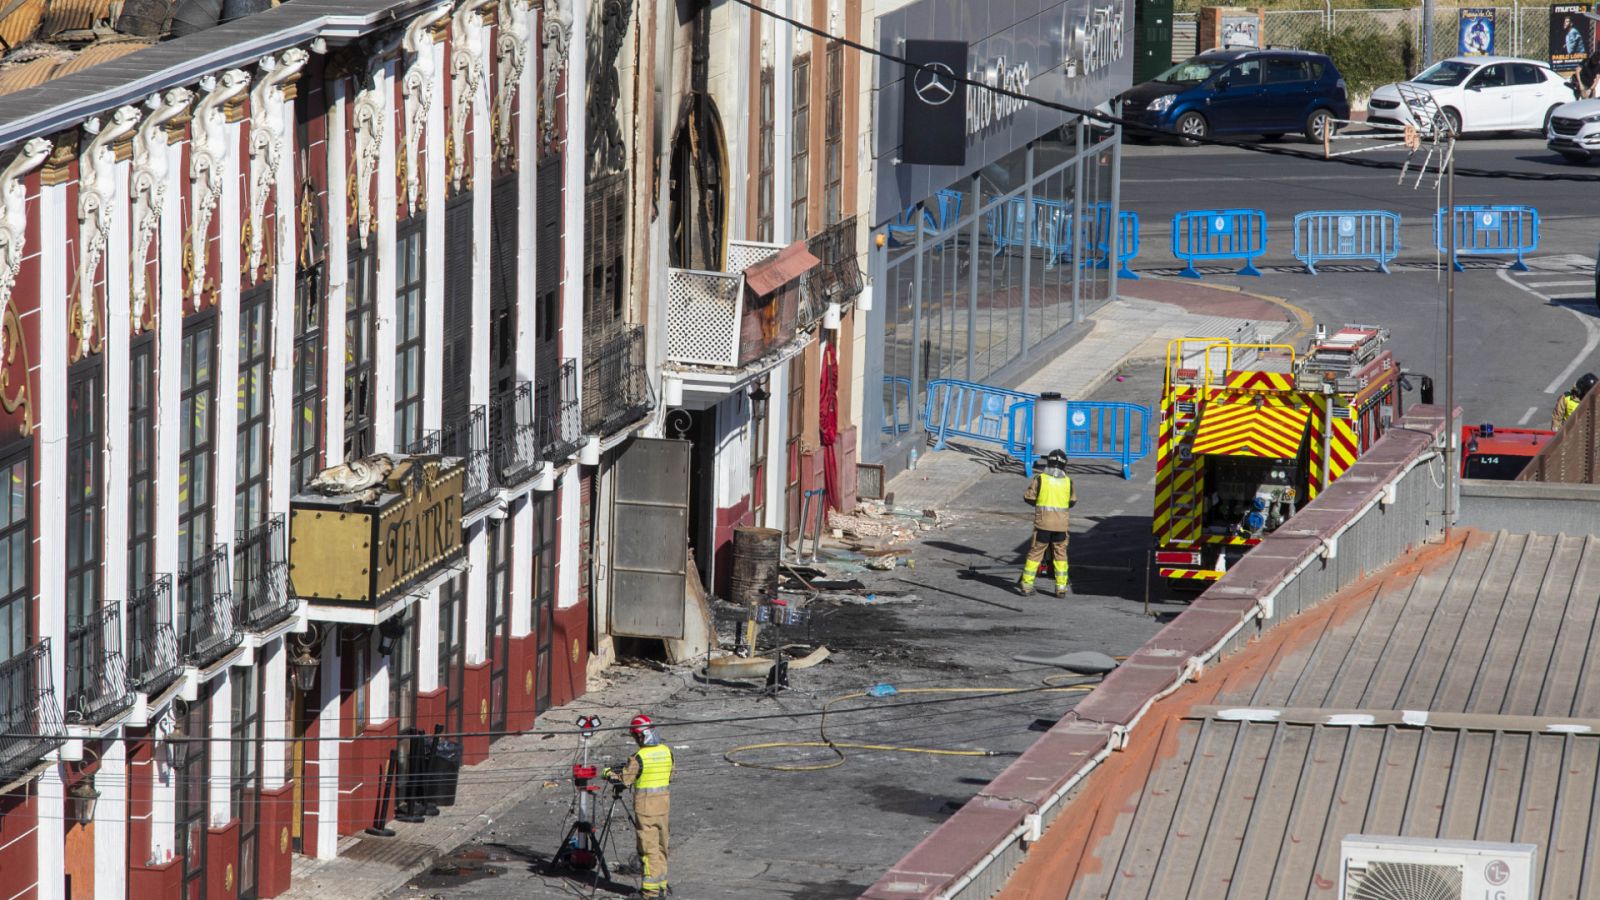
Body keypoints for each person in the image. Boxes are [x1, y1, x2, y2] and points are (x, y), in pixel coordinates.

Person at [605, 715, 673, 897]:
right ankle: (662, 886)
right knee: (662, 847)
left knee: (648, 850)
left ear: (641, 736)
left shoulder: (638, 757)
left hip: (646, 810)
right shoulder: (667, 751)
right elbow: (670, 776)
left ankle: (649, 892)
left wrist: (608, 773)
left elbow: (624, 780)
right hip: (663, 807)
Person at [1018, 449, 1077, 597]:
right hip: (1061, 526)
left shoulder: (1040, 479)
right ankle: (1061, 588)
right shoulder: (1068, 481)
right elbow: (1072, 501)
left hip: (1043, 524)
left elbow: (1028, 497)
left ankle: (1026, 585)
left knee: (1035, 553)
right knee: (1060, 554)